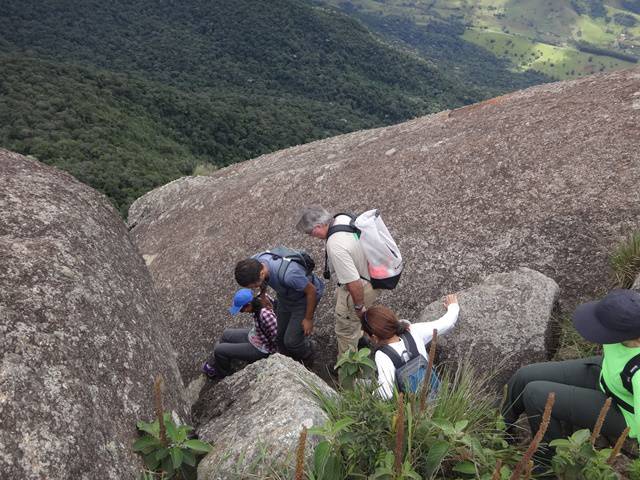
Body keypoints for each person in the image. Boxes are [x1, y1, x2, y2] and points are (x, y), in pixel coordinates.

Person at [502, 289, 640, 462]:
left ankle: (546, 463)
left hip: (624, 412)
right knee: (525, 375)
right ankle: (498, 428)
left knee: (536, 395)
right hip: (608, 375)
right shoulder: (629, 329)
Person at [296, 206, 377, 358]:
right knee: (354, 319)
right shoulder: (343, 218)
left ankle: (348, 372)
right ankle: (360, 338)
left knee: (345, 331)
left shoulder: (335, 245)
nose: (311, 236)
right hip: (372, 276)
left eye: (310, 232)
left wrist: (359, 306)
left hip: (360, 287)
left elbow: (354, 283)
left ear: (319, 226)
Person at [361, 294, 460, 400]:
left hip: (412, 408)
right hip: (437, 395)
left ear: (374, 337)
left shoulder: (382, 355)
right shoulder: (413, 331)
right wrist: (453, 306)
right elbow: (446, 323)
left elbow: (386, 393)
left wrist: (368, 398)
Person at [234, 250, 324, 364]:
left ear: (261, 273)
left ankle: (309, 355)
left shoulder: (290, 275)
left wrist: (308, 318)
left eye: (254, 285)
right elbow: (262, 282)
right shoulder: (255, 262)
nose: (254, 288)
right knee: (279, 338)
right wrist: (263, 296)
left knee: (291, 341)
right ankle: (290, 361)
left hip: (303, 299)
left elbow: (312, 291)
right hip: (285, 297)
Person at [202, 289, 278, 379]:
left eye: (241, 310)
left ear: (249, 305)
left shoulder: (265, 315)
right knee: (226, 334)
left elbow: (277, 336)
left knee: (219, 350)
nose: (242, 312)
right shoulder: (260, 298)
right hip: (256, 335)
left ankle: (223, 374)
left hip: (262, 348)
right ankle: (217, 364)